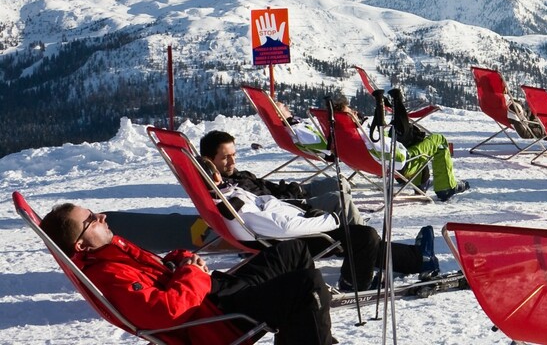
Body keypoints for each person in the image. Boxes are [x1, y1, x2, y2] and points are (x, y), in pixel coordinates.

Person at [40, 202, 333, 345]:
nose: (101, 216)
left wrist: (184, 260)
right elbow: (166, 312)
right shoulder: (108, 274)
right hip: (214, 319)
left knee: (293, 250)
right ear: (80, 244)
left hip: (210, 295)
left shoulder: (110, 251)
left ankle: (307, 336)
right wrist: (192, 274)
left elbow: (159, 268)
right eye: (91, 219)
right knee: (305, 286)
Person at [199, 158, 439, 291]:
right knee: (364, 237)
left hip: (297, 225)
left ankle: (417, 258)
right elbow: (281, 227)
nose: (222, 171)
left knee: (361, 240)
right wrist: (327, 220)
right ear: (212, 177)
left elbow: (271, 208)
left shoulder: (230, 193)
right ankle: (356, 282)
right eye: (212, 170)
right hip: (293, 238)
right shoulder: (235, 202)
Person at [199, 129, 364, 226]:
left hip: (288, 195)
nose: (232, 161)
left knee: (339, 182)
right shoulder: (230, 189)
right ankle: (370, 248)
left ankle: (349, 229)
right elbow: (268, 204)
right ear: (209, 160)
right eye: (225, 157)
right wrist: (292, 193)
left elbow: (267, 189)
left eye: (234, 155)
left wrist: (290, 188)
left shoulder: (236, 175)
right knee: (341, 200)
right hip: (290, 208)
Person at [331, 90, 470, 202]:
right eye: (351, 112)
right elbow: (398, 156)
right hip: (401, 165)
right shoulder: (364, 137)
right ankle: (446, 187)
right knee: (439, 140)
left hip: (374, 164)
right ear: (347, 119)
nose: (355, 112)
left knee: (403, 134)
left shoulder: (343, 137)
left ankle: (420, 182)